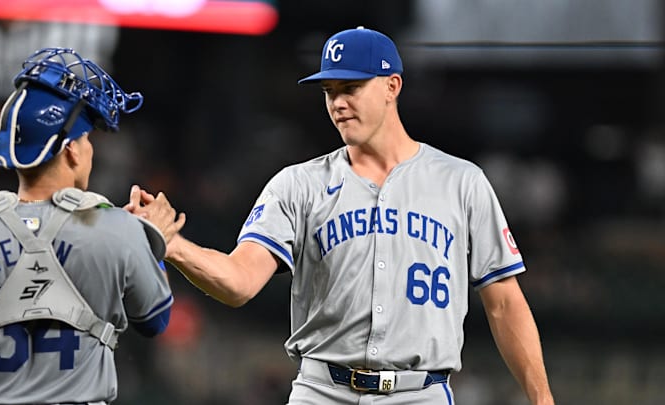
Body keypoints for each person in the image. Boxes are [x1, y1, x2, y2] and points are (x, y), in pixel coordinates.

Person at [128, 26, 554, 404]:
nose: (338, 103)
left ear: (392, 86)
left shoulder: (462, 183)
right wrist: (174, 245)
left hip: (419, 393)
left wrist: (542, 399)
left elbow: (504, 304)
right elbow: (239, 283)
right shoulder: (298, 185)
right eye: (329, 91)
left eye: (351, 88)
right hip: (322, 392)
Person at [0, 47, 184, 404]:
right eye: (86, 139)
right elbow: (155, 321)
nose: (89, 150)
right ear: (71, 149)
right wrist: (155, 246)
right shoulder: (121, 231)